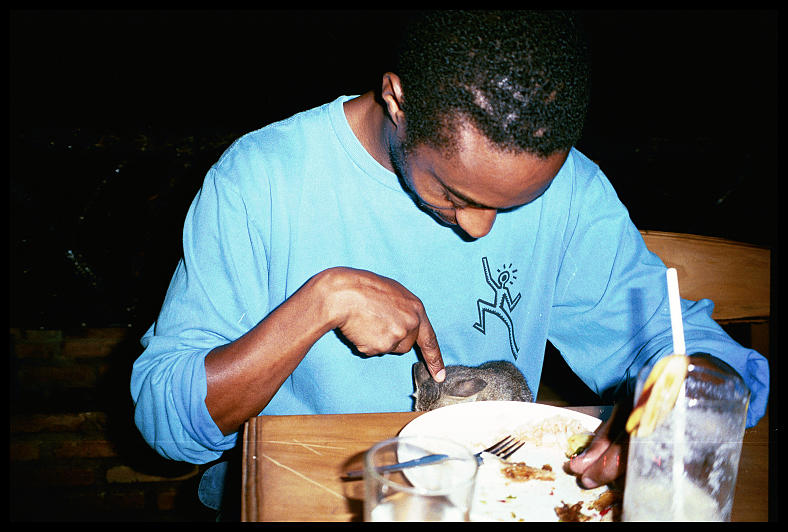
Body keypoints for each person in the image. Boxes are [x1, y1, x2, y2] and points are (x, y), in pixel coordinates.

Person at [131, 10, 769, 515]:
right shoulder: (261, 180)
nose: (480, 228)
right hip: (309, 500)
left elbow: (687, 347)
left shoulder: (574, 191)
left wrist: (687, 394)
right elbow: (165, 422)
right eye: (456, 195)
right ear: (397, 99)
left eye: (518, 203)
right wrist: (320, 302)